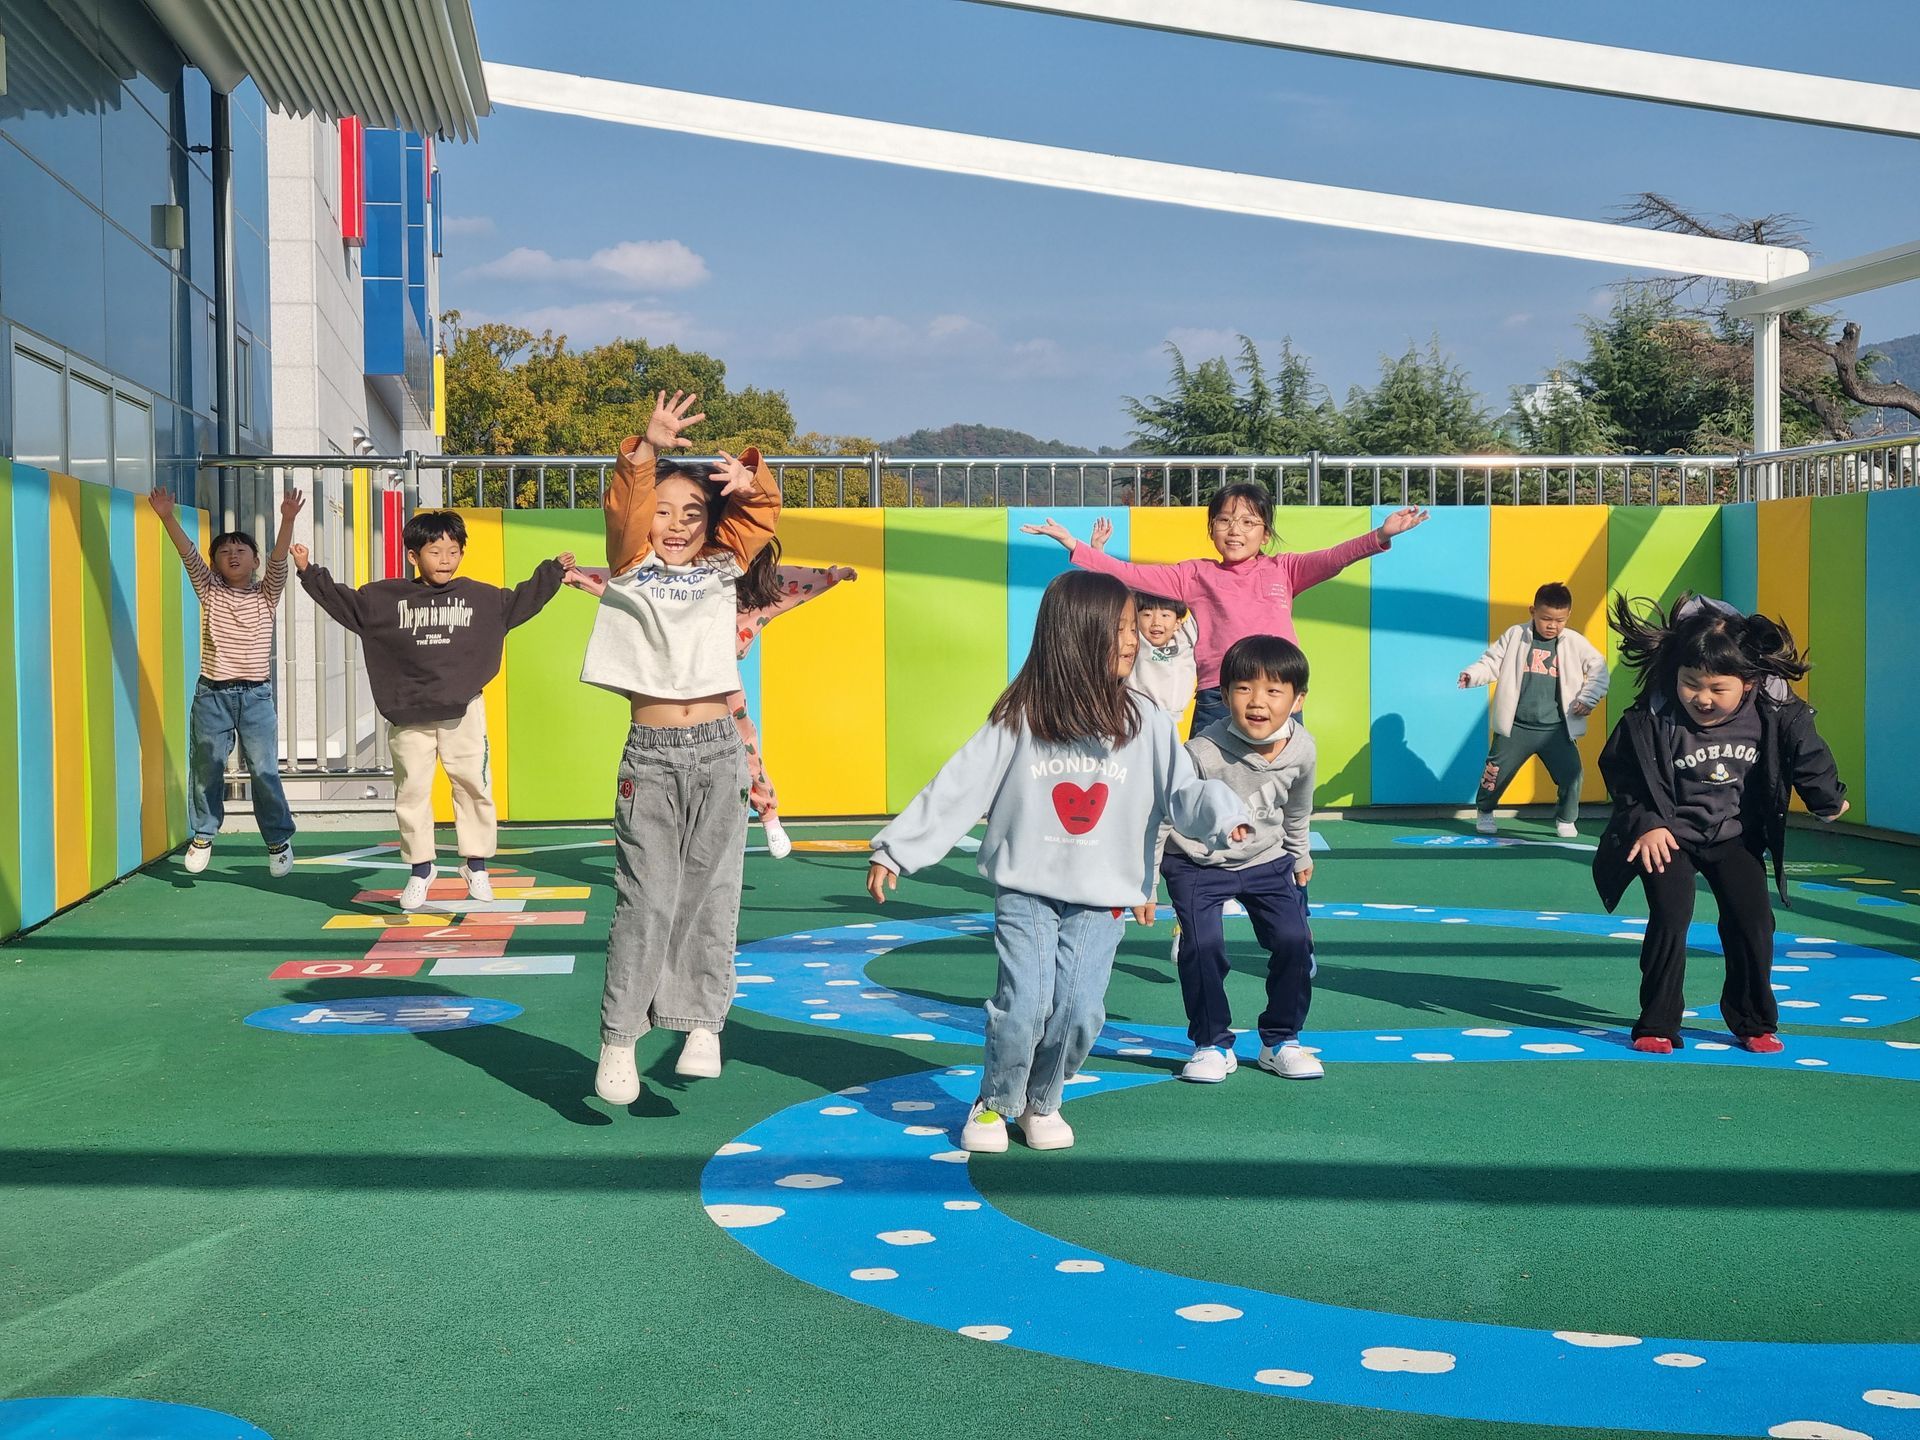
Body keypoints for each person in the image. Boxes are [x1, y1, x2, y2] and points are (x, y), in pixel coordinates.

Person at [866, 571, 1249, 1153]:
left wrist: (1222, 814)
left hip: (1103, 893)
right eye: (1120, 627)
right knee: (1023, 1006)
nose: (1133, 639)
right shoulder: (1022, 715)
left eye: (1132, 627)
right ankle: (996, 1102)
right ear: (1076, 635)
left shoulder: (1144, 720)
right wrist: (899, 848)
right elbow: (960, 785)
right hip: (1027, 888)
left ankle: (1043, 1100)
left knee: (1079, 1012)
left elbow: (1184, 789)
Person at [579, 390, 780, 1106]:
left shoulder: (725, 565)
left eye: (691, 513)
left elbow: (758, 516)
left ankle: (700, 1024)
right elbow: (627, 507)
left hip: (718, 750)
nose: (674, 524)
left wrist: (750, 479)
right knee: (645, 901)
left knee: (713, 892)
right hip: (654, 754)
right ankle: (619, 1037)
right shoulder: (630, 564)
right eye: (663, 511)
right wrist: (649, 447)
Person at [1593, 593, 1848, 1055]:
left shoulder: (1773, 712)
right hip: (1670, 835)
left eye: (1717, 689)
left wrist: (1827, 799)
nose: (1703, 699)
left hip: (1733, 834)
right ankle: (1657, 1022)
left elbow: (1806, 752)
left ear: (1748, 683)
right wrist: (1648, 822)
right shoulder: (1653, 716)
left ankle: (1752, 1020)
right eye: (1691, 684)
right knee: (1671, 915)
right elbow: (1624, 773)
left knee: (1753, 922)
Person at [293, 513, 572, 910]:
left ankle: (476, 865)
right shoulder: (384, 600)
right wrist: (309, 572)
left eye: (454, 551)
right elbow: (343, 602)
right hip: (408, 712)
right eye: (435, 551)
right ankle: (420, 870)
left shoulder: (482, 598)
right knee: (411, 793)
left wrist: (553, 571)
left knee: (472, 785)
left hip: (464, 709)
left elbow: (522, 601)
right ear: (413, 555)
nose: (445, 559)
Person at [1023, 483, 1428, 735]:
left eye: (1248, 522)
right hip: (1218, 694)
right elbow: (1130, 573)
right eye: (1224, 521)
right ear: (1212, 529)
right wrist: (1075, 545)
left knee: (1282, 779)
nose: (1235, 530)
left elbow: (1334, 557)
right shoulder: (1193, 575)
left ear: (1265, 533)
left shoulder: (1284, 569)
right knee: (1205, 781)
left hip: (1276, 691)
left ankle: (1285, 866)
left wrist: (1380, 534)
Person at [1159, 635, 1320, 1084]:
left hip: (1266, 859)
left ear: (1297, 698)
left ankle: (1280, 1040)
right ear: (1224, 694)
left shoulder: (1302, 747)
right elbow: (1166, 811)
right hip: (1197, 863)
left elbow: (1298, 806)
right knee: (1201, 947)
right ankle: (1211, 1043)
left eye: (1273, 691)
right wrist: (1145, 871)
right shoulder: (1200, 752)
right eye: (1244, 688)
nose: (1257, 702)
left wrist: (1299, 851)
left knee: (1293, 940)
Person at [149, 484, 304, 876]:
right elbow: (187, 554)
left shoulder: (267, 594)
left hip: (255, 695)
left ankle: (277, 840)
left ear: (255, 561)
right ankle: (203, 834)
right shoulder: (210, 589)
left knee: (264, 768)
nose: (232, 555)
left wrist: (286, 520)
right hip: (212, 694)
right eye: (223, 552)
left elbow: (280, 558)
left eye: (241, 551)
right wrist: (167, 517)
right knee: (206, 765)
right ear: (215, 564)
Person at [1457, 581, 1609, 838]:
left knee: (1572, 775)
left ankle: (1566, 819)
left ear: (1568, 616)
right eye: (1546, 618)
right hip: (1516, 726)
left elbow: (1599, 669)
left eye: (1560, 620)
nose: (1552, 625)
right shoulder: (1516, 636)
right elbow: (1491, 662)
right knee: (1495, 773)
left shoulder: (1574, 642)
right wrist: (1472, 675)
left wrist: (1589, 698)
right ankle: (1485, 811)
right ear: (1532, 612)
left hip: (1557, 728)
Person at [732, 552, 857, 858]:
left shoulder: (752, 591)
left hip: (720, 680)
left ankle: (768, 814)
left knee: (746, 746)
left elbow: (793, 580)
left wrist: (833, 575)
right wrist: (590, 578)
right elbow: (627, 581)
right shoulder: (684, 577)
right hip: (674, 683)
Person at [1085, 516, 1196, 719]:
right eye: (1146, 614)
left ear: (1178, 621)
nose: (1156, 622)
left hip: (1171, 716)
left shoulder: (1185, 637)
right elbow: (1109, 595)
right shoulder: (1137, 639)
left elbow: (1214, 605)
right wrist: (1097, 551)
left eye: (1165, 615)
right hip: (1134, 715)